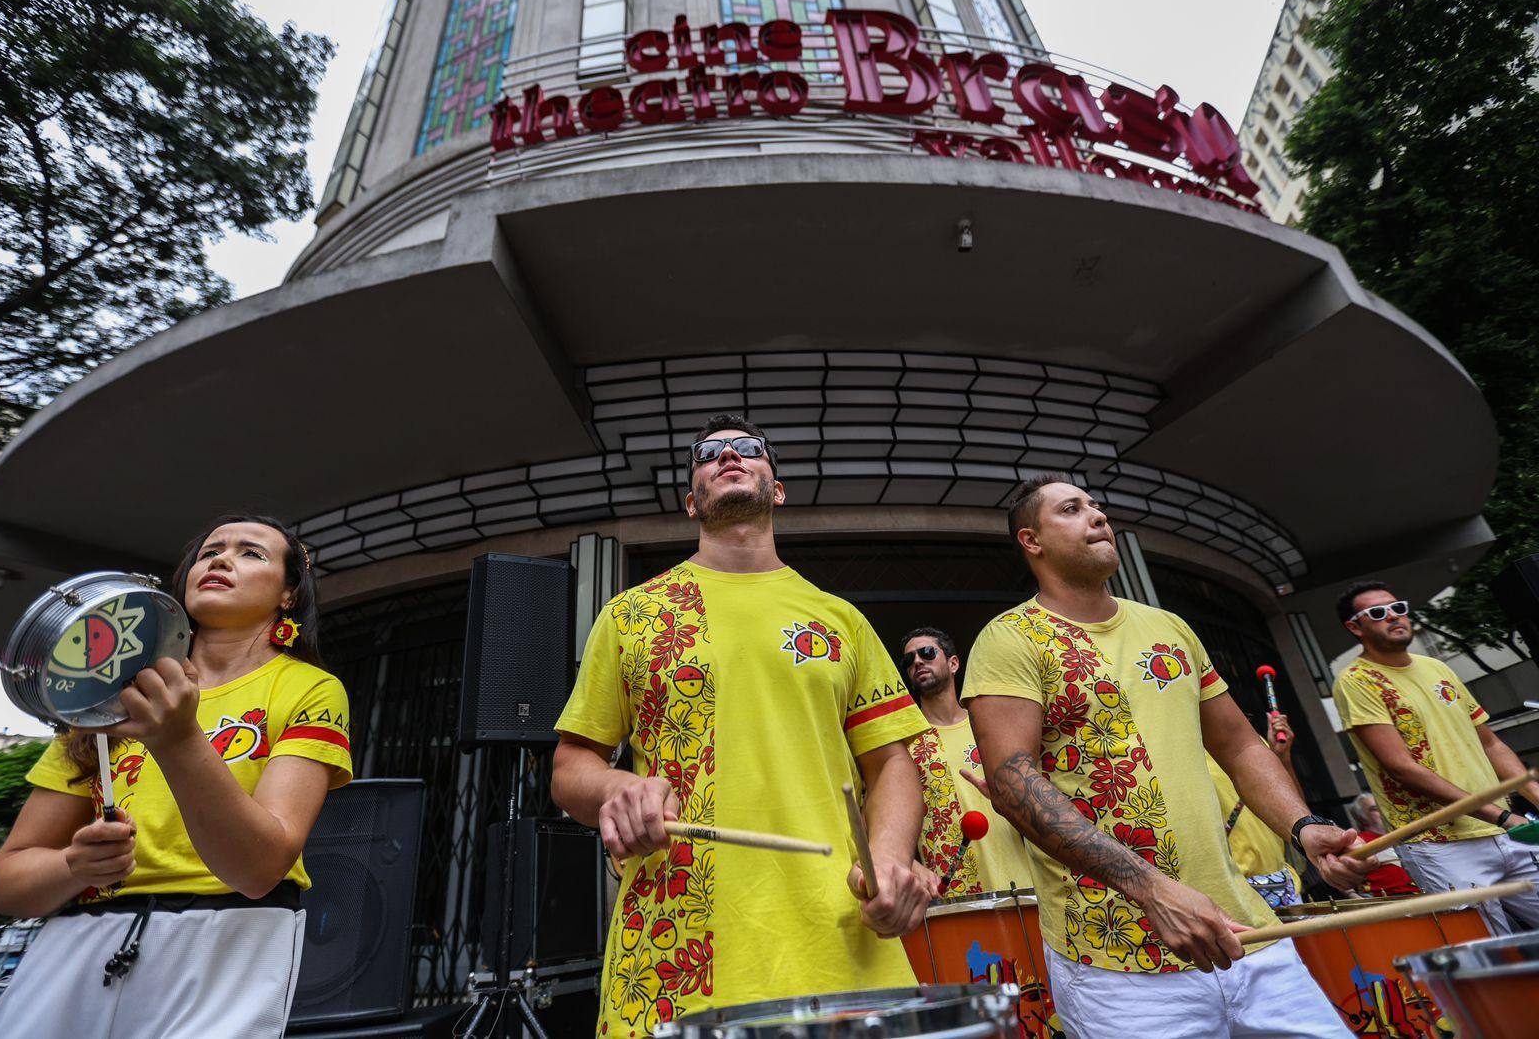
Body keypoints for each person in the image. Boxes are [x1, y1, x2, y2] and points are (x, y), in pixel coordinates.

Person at [552, 415, 935, 1037]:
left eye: (748, 450)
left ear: (776, 488)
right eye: (708, 455)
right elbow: (572, 766)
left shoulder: (840, 618)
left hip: (838, 931)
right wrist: (616, 790)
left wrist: (888, 859)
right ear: (690, 500)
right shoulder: (631, 614)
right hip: (675, 943)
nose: (728, 456)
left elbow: (891, 762)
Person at [964, 474, 1372, 1038]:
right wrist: (1152, 889)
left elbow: (1238, 744)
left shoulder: (1169, 627)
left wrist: (1303, 826)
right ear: (1031, 540)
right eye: (1072, 508)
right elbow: (1012, 782)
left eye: (1097, 506)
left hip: (1244, 931)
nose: (1098, 515)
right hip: (1116, 956)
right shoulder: (1010, 638)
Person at [0, 515, 352, 1039]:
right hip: (78, 940)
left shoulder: (311, 689)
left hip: (230, 939)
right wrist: (75, 864)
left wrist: (179, 740)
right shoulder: (103, 694)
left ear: (289, 594)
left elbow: (259, 869)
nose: (221, 559)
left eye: (251, 553)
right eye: (209, 552)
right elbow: (6, 887)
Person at [1331, 581, 1539, 932]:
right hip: (1440, 845)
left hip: (1506, 832)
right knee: (1492, 956)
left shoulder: (1438, 669)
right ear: (1355, 627)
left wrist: (1533, 800)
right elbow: (1400, 767)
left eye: (1399, 608)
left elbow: (1491, 744)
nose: (1394, 617)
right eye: (1378, 613)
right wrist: (1501, 816)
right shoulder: (1356, 681)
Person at [899, 627, 1034, 896]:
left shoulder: (991, 728)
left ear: (953, 663)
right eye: (908, 660)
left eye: (926, 653)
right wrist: (909, 866)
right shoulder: (904, 743)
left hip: (1027, 887)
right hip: (954, 900)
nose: (917, 662)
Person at [1209, 712, 1304, 909]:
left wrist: (1282, 759)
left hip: (1287, 889)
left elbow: (1297, 813)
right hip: (1235, 902)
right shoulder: (1171, 753)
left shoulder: (1254, 745)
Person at [1342, 792, 1419, 897]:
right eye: (1374, 809)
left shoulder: (1408, 834)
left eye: (1382, 806)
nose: (1382, 811)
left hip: (1426, 893)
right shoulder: (1356, 841)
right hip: (1389, 900)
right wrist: (1354, 896)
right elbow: (1340, 875)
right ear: (1361, 818)